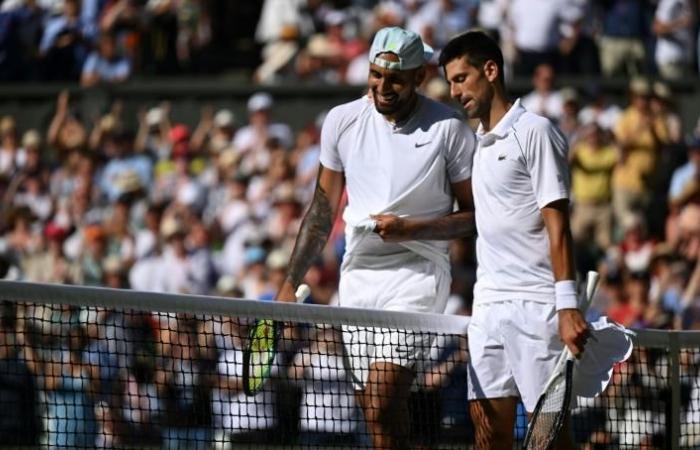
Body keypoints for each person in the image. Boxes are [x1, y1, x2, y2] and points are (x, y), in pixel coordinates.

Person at [275, 26, 476, 450]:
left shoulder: (449, 127)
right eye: (376, 75)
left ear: (420, 77)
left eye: (396, 78)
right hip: (358, 278)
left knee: (384, 400)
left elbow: (478, 217)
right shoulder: (342, 120)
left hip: (417, 274)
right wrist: (289, 281)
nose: (383, 87)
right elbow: (322, 210)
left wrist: (412, 229)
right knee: (376, 416)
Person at [440, 31, 589, 450]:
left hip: (537, 306)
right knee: (488, 437)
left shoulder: (536, 131)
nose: (455, 91)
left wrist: (566, 306)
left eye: (461, 78)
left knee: (549, 442)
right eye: (450, 82)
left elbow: (558, 224)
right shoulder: (476, 146)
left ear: (491, 71)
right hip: (487, 306)